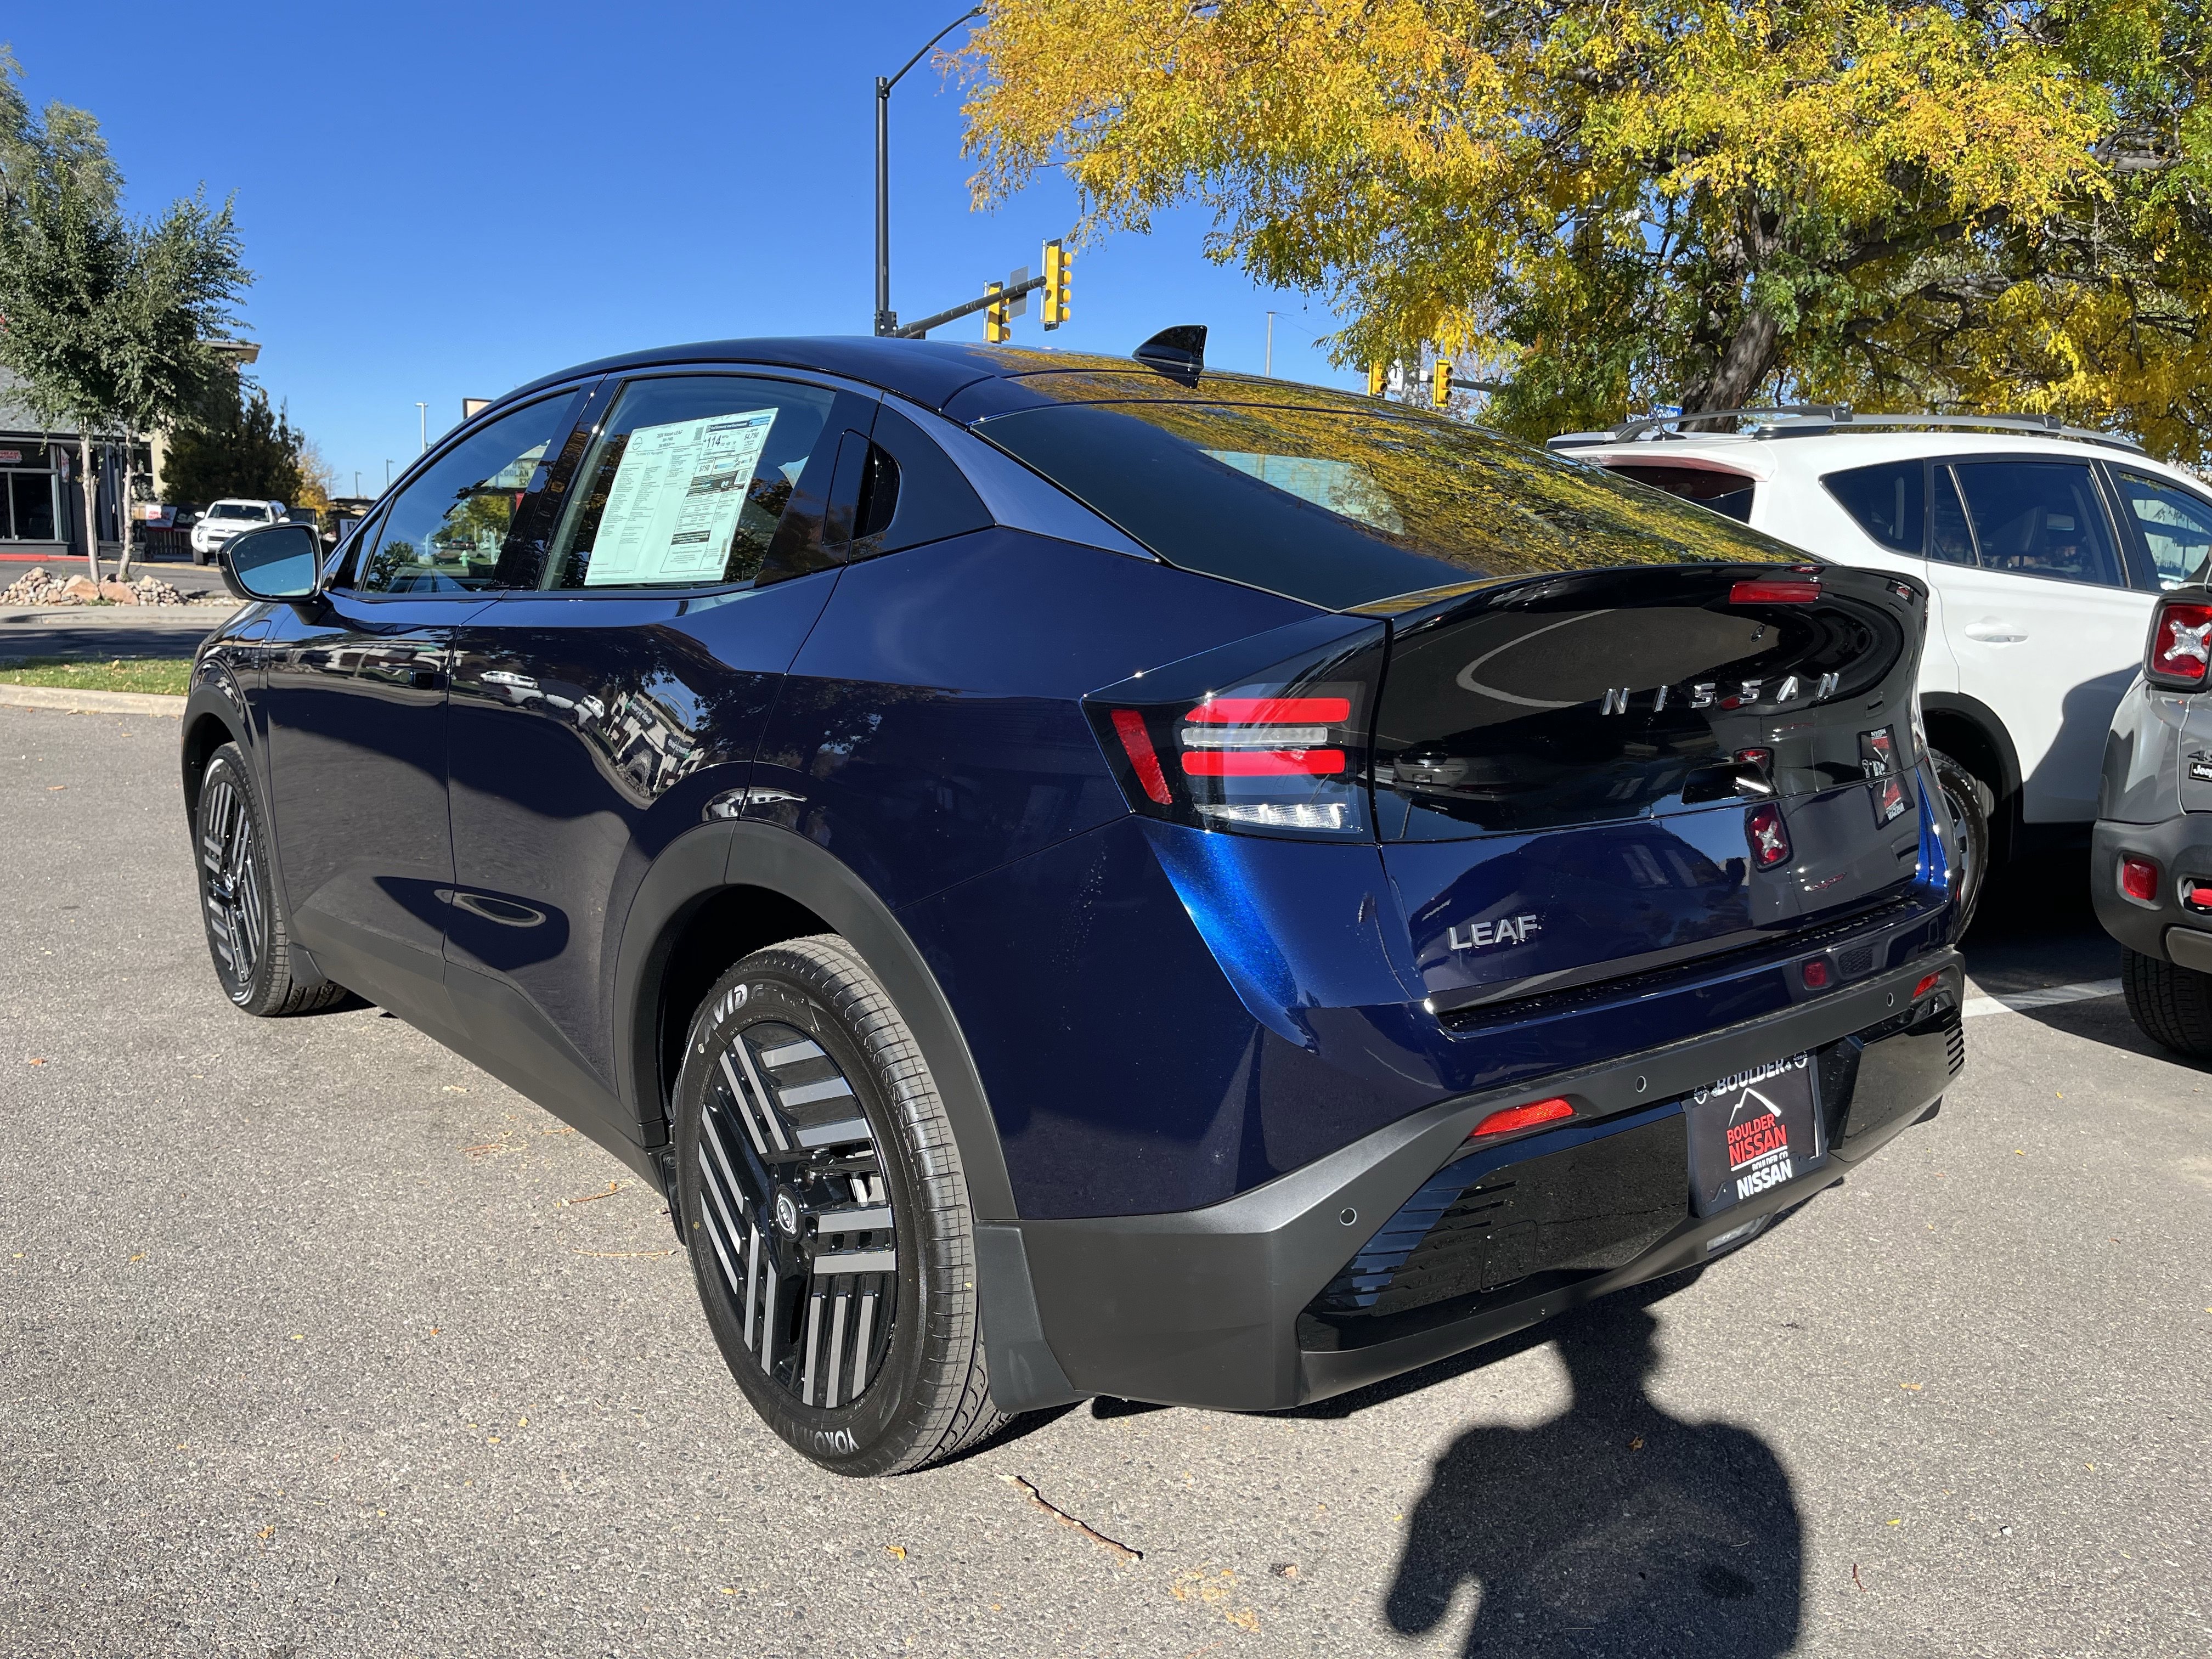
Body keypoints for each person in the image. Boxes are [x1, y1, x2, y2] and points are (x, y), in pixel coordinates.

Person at [1386, 1291, 1803, 1656]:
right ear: (1650, 1357)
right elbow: (1780, 1630)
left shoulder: (1489, 1450)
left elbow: (1412, 1615)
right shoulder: (1738, 1449)